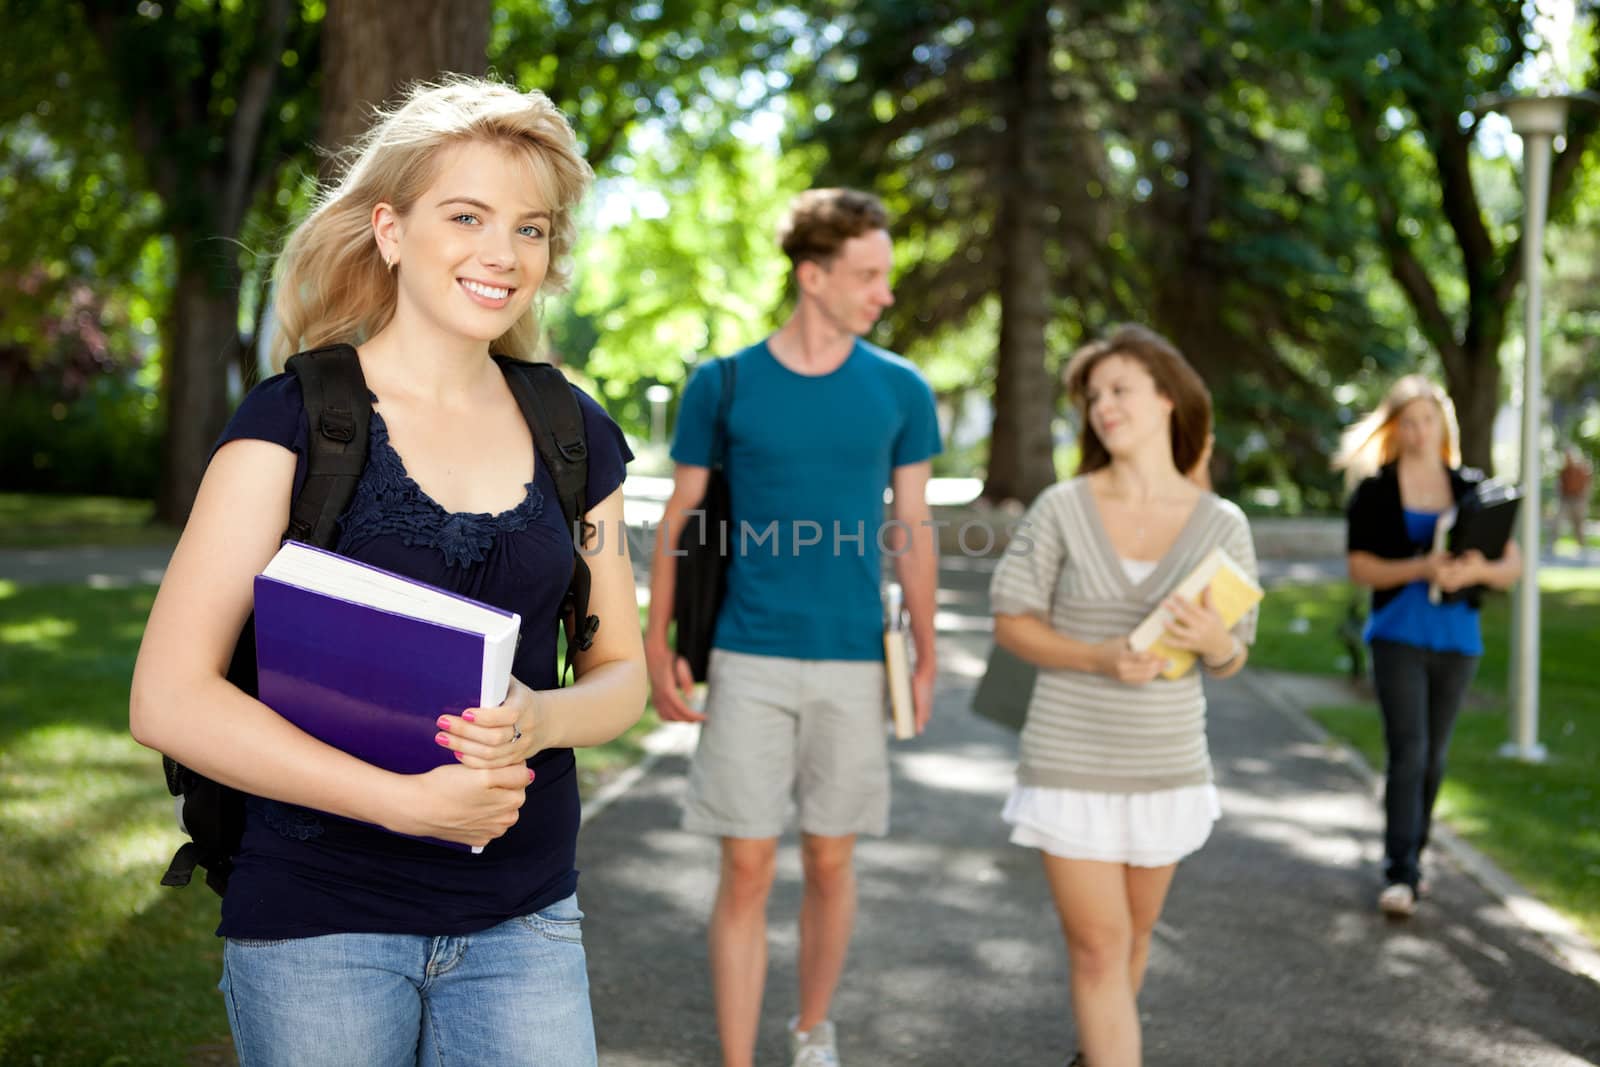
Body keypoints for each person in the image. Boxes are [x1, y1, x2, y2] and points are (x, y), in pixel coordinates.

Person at [128, 77, 646, 1067]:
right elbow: (167, 696)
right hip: (318, 923)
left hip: (524, 916)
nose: (502, 253)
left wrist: (540, 716)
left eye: (530, 228)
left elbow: (620, 668)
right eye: (467, 216)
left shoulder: (574, 434)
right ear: (390, 229)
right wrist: (404, 802)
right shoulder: (292, 421)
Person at [645, 188, 941, 1067]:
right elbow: (680, 520)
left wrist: (926, 649)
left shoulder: (901, 389)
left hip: (855, 661)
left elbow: (914, 530)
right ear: (812, 276)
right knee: (744, 867)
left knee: (830, 860)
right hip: (747, 657)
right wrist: (660, 641)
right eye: (868, 274)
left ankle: (812, 1033)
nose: (884, 291)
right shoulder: (722, 384)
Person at [988, 324, 1257, 1067]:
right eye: (1093, 395)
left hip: (1167, 765)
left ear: (1168, 398)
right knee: (1100, 947)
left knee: (1134, 939)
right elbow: (1010, 621)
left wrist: (1213, 642)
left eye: (1120, 389)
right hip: (1070, 759)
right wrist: (1097, 656)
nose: (1103, 405)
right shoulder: (1062, 507)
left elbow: (1235, 655)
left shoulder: (1222, 525)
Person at [1335, 375, 1521, 919]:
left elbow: (1512, 565)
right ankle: (1400, 873)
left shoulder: (1471, 489)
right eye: (1408, 422)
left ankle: (1413, 856)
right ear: (1395, 429)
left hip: (1457, 641)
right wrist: (1420, 567)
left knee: (1434, 758)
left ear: (1444, 426)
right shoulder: (1374, 491)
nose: (1418, 432)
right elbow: (1359, 566)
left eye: (1427, 420)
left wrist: (1476, 571)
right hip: (1397, 636)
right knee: (1409, 751)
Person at [1556, 444, 1592, 555]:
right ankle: (1550, 544)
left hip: (1578, 499)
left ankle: (1582, 547)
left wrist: (1584, 500)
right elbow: (1560, 486)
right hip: (1566, 499)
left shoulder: (1582, 470)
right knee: (1557, 521)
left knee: (1579, 524)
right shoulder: (1564, 471)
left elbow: (1587, 486)